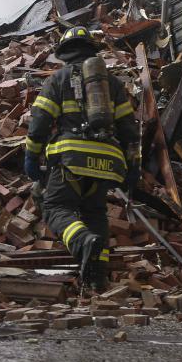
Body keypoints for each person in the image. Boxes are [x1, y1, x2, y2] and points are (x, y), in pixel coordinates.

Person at [23, 26, 140, 291]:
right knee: (94, 213)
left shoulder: (58, 80)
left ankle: (83, 242)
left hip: (71, 159)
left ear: (64, 53)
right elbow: (129, 130)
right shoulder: (112, 84)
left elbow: (40, 121)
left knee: (55, 209)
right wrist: (134, 166)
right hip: (107, 164)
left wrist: (31, 155)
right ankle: (97, 277)